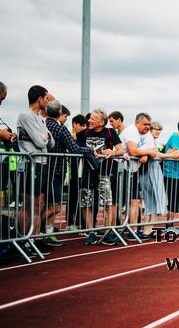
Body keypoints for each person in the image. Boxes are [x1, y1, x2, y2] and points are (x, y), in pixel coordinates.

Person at [45, 100, 95, 245]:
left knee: (42, 204)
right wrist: (91, 150)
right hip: (57, 170)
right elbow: (73, 148)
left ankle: (40, 233)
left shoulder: (41, 124)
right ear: (60, 113)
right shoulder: (61, 129)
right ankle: (45, 233)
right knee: (54, 206)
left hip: (41, 168)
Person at [76, 109, 124, 245]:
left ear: (101, 122)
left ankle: (108, 232)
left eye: (93, 119)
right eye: (90, 118)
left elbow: (121, 150)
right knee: (86, 203)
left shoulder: (110, 132)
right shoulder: (83, 134)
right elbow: (74, 147)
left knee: (108, 203)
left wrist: (112, 151)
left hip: (105, 172)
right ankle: (91, 232)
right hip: (87, 171)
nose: (89, 121)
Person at [17, 85, 55, 243]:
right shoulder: (25, 115)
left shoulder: (40, 117)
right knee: (28, 205)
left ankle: (35, 239)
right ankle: (25, 239)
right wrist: (45, 137)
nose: (48, 102)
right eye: (46, 99)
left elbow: (51, 143)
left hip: (41, 163)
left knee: (38, 204)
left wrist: (46, 137)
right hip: (30, 164)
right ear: (39, 99)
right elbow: (41, 142)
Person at [119, 113, 157, 242]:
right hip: (121, 170)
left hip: (133, 171)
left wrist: (146, 155)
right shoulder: (131, 131)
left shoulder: (146, 134)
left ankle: (133, 230)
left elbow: (153, 152)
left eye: (148, 125)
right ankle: (129, 230)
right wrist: (147, 153)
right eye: (145, 124)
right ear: (137, 122)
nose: (147, 127)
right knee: (122, 202)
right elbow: (133, 151)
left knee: (135, 201)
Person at [139, 121, 170, 235]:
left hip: (148, 171)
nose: (158, 132)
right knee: (154, 200)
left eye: (159, 130)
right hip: (150, 172)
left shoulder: (147, 140)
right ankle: (149, 228)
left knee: (151, 202)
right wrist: (171, 155)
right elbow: (155, 154)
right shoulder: (148, 140)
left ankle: (148, 228)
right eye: (156, 129)